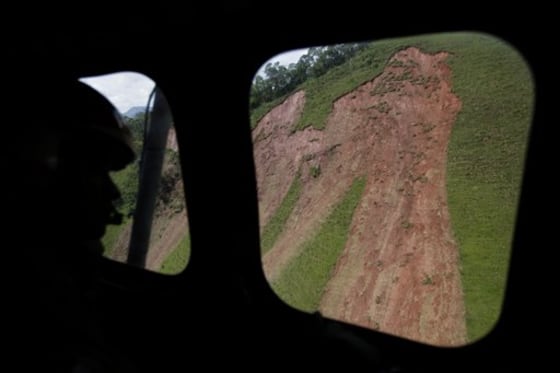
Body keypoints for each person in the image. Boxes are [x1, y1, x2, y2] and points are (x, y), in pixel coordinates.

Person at [3, 79, 137, 371]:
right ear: (36, 175)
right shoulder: (41, 302)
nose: (113, 192)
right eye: (95, 171)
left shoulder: (64, 280)